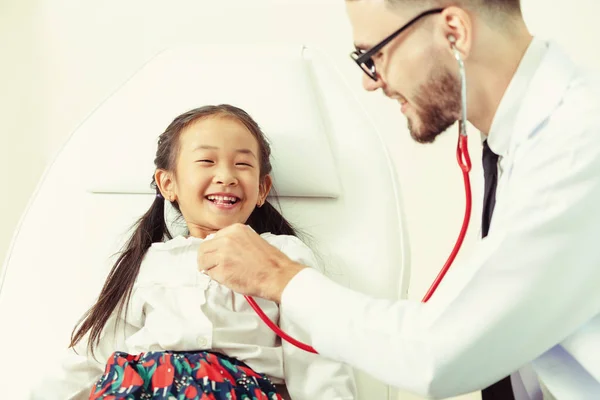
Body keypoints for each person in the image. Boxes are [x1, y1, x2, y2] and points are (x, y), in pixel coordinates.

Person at [197, 1, 600, 399]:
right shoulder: (525, 144)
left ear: (454, 32)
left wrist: (278, 276)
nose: (370, 82)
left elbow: (438, 353)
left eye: (375, 54)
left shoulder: (578, 148)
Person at [30, 104, 356, 399]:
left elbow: (317, 357)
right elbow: (91, 357)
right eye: (206, 161)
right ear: (167, 184)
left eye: (242, 164)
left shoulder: (281, 255)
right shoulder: (148, 263)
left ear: (261, 189)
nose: (226, 176)